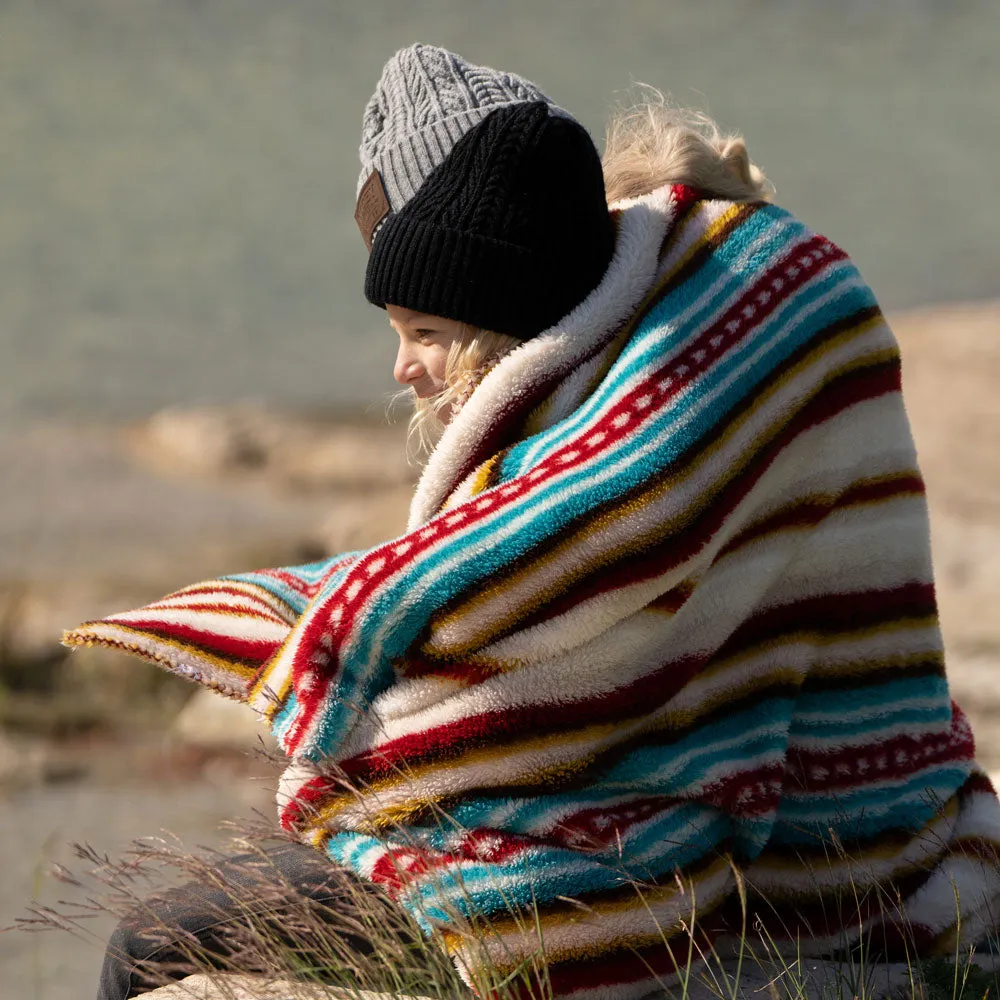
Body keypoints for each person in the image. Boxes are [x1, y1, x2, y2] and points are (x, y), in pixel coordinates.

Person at [72, 43, 1000, 1000]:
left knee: (149, 945)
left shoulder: (647, 437)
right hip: (885, 823)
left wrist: (317, 647)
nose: (400, 368)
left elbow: (502, 643)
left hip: (765, 872)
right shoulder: (692, 309)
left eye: (424, 332)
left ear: (506, 315)